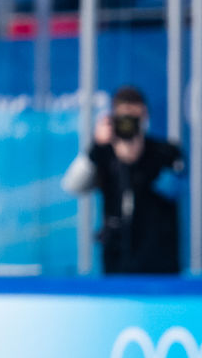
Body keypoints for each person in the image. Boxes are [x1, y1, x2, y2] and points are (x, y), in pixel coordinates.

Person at [62, 85, 184, 274]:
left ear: (146, 118)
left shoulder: (165, 153)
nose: (129, 125)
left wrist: (139, 161)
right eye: (123, 118)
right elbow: (72, 185)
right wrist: (96, 147)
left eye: (135, 118)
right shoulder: (103, 154)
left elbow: (174, 190)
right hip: (116, 261)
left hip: (160, 262)